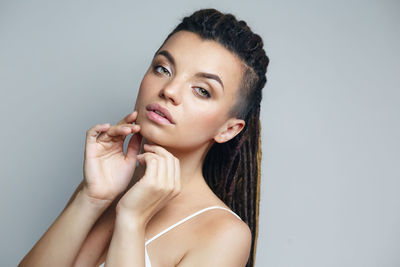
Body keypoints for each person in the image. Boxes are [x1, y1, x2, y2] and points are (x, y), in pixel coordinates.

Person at [19, 8, 269, 267]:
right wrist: (91, 197)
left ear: (228, 129)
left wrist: (131, 220)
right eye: (163, 69)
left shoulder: (224, 234)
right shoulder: (103, 190)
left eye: (202, 90)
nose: (169, 90)